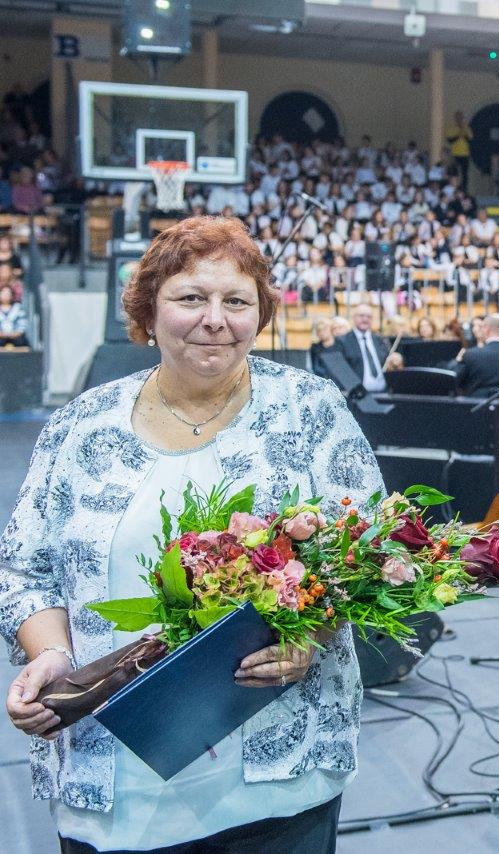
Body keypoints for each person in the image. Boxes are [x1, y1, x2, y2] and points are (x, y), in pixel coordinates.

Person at [1, 216, 383, 854]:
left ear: (259, 315)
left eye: (237, 301)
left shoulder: (312, 412)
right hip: (113, 770)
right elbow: (24, 568)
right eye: (190, 299)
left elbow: (367, 550)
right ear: (148, 311)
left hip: (277, 772)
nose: (216, 318)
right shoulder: (79, 427)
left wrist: (308, 637)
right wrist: (49, 657)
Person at [451, 313, 499, 399]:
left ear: (486, 330)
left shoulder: (471, 355)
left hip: (477, 407)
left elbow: (457, 381)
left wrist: (457, 361)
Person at [336, 303, 390, 393]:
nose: (365, 319)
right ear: (354, 318)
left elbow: (386, 362)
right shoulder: (342, 341)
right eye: (361, 316)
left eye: (368, 317)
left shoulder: (379, 339)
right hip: (359, 397)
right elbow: (341, 372)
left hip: (384, 394)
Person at [444, 111, 472, 193]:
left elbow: (470, 140)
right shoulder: (451, 128)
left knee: (464, 174)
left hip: (465, 154)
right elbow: (450, 140)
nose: (459, 119)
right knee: (454, 173)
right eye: (457, 117)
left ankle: (464, 190)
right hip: (455, 154)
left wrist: (463, 132)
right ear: (455, 118)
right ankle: (453, 189)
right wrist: (459, 134)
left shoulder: (467, 128)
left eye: (461, 117)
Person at [309, 315, 339, 379]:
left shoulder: (340, 345)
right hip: (324, 380)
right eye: (319, 330)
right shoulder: (315, 348)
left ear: (331, 329)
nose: (322, 332)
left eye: (324, 329)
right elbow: (315, 367)